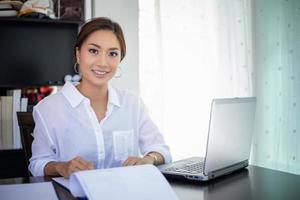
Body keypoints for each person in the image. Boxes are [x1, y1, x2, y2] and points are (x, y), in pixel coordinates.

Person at [29, 17, 171, 178]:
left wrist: (149, 159)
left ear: (120, 59)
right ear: (78, 54)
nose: (103, 63)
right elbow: (37, 164)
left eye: (112, 53)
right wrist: (61, 167)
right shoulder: (48, 109)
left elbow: (161, 150)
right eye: (93, 51)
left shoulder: (132, 103)